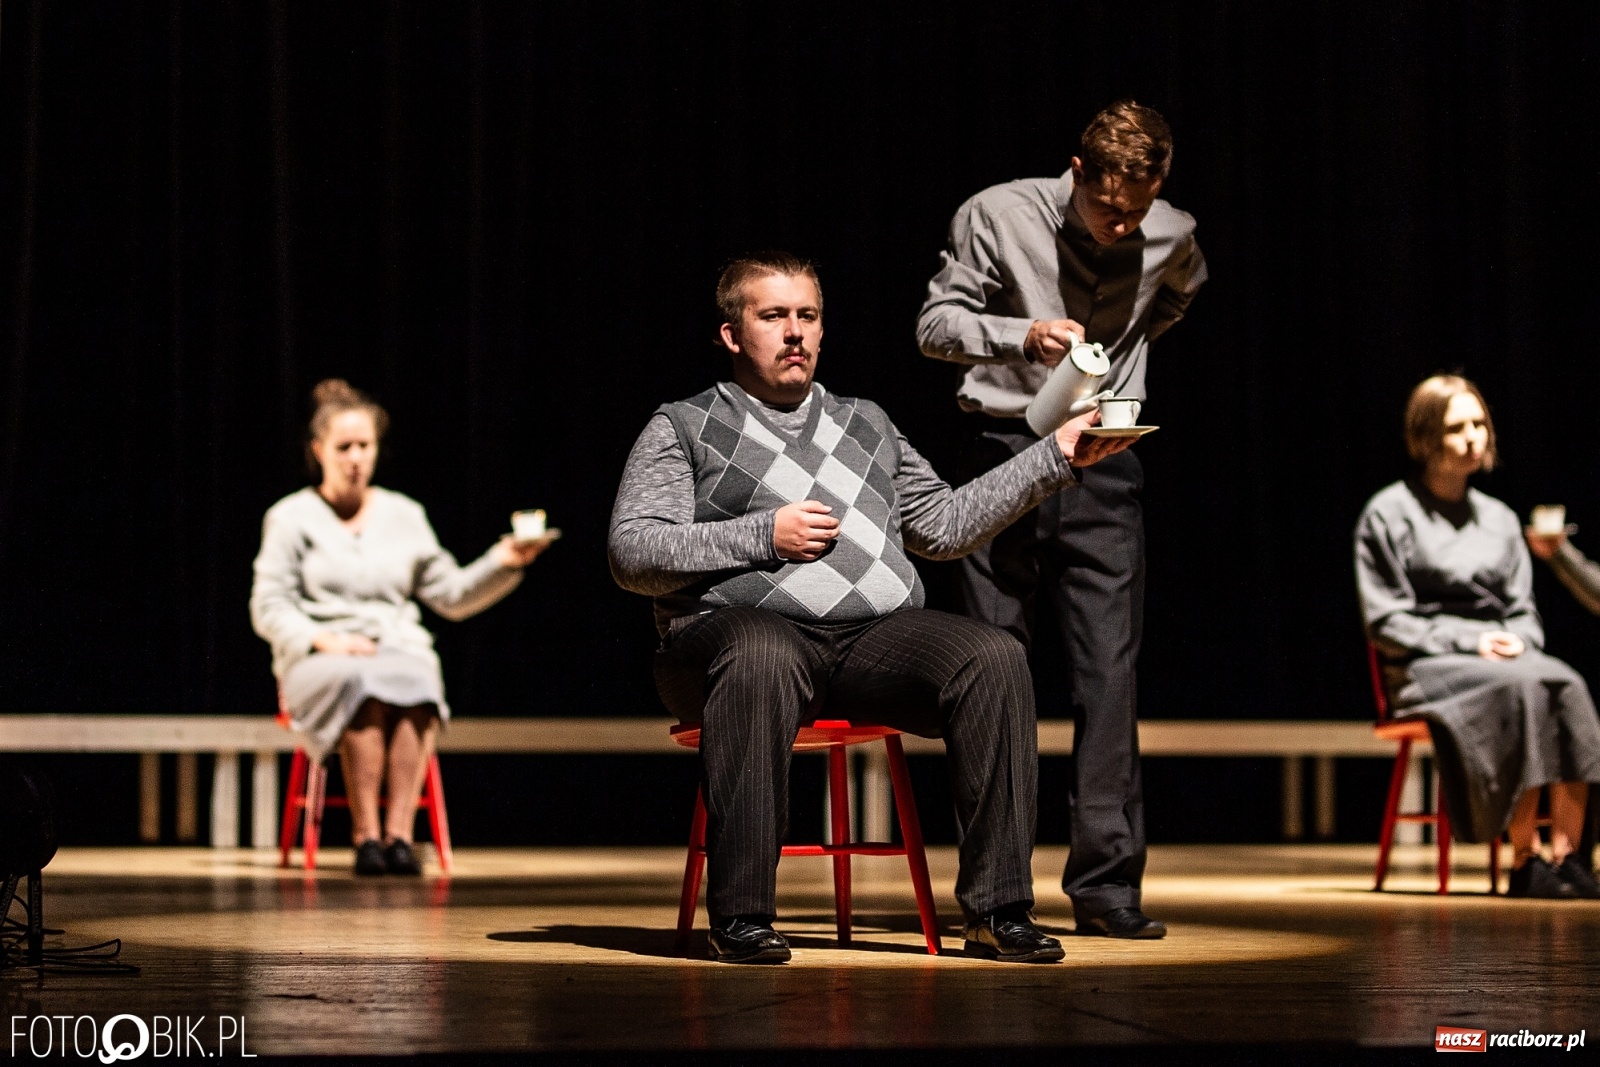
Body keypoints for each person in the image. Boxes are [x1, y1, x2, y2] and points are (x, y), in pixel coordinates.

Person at [609, 252, 1135, 964]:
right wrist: (763, 534)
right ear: (733, 335)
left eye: (807, 316)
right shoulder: (684, 426)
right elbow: (633, 552)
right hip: (726, 643)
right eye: (773, 316)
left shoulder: (867, 424)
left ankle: (997, 908)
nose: (794, 332)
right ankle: (742, 916)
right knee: (761, 651)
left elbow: (945, 524)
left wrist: (1056, 455)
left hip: (866, 643)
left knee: (994, 657)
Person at [914, 100, 1207, 938]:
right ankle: (998, 891)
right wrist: (1024, 334)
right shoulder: (997, 212)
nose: (1121, 229)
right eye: (1108, 209)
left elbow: (1177, 293)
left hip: (1105, 459)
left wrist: (1131, 356)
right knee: (994, 672)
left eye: (1137, 213)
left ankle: (1109, 886)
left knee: (1109, 676)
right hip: (1003, 450)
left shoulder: (1173, 231)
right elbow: (934, 325)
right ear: (1076, 173)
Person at [251, 379, 552, 875]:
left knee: (416, 676)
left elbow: (451, 595)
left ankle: (399, 838)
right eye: (343, 447)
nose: (355, 458)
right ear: (318, 451)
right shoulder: (290, 518)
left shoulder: (404, 515)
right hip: (318, 658)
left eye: (364, 446)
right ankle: (365, 836)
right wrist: (323, 639)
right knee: (360, 681)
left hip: (393, 647)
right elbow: (268, 604)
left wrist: (503, 561)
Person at [1355, 375, 1600, 898]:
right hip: (1425, 666)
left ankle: (1569, 854)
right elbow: (1386, 621)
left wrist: (1517, 640)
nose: (1473, 437)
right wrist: (1472, 642)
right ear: (1425, 437)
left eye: (1479, 424)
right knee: (1522, 688)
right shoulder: (1389, 513)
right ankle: (1524, 860)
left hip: (1504, 659)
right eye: (1456, 427)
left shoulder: (1499, 519)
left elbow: (1523, 612)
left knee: (1567, 682)